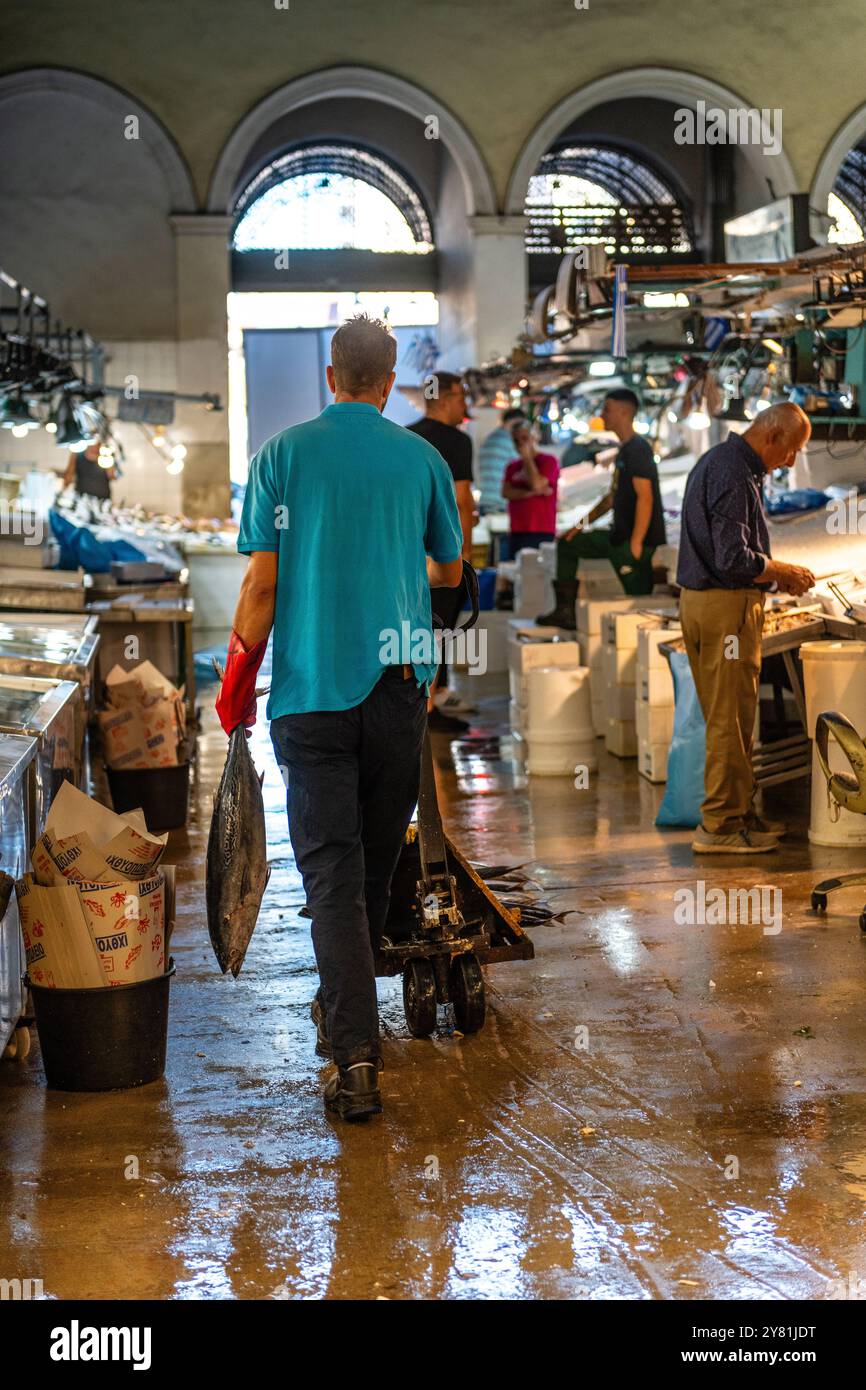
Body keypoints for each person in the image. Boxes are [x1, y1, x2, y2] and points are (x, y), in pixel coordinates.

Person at [216, 314, 463, 1122]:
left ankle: (355, 1057)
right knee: (370, 865)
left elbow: (260, 589)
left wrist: (236, 680)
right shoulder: (420, 458)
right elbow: (450, 568)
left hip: (312, 694)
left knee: (330, 875)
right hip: (397, 689)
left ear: (331, 376)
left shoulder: (281, 457)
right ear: (390, 384)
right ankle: (345, 1013)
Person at [677, 402, 815, 854]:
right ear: (772, 437)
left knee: (733, 719)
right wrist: (782, 570)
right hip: (725, 611)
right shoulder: (734, 473)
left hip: (709, 606)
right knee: (729, 722)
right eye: (792, 450)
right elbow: (733, 558)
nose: (791, 461)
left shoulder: (722, 461)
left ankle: (738, 814)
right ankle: (720, 827)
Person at [536, 388, 666, 627]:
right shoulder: (625, 450)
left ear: (625, 412)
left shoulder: (638, 449)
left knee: (639, 602)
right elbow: (611, 498)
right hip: (618, 536)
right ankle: (565, 611)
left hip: (634, 541)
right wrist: (578, 526)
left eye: (608, 409)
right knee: (567, 544)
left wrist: (637, 542)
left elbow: (645, 497)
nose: (602, 414)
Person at [408, 371, 475, 731]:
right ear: (445, 399)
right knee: (440, 629)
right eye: (461, 397)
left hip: (408, 553)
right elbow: (462, 500)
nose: (464, 406)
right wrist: (463, 556)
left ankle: (420, 703)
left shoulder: (406, 436)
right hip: (442, 551)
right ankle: (428, 710)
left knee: (417, 627)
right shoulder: (458, 442)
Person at [501, 420, 559, 558]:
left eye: (525, 438)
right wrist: (531, 493)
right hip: (517, 530)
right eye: (516, 440)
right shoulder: (512, 466)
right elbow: (506, 492)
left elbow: (536, 484)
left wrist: (527, 458)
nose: (520, 443)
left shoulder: (548, 461)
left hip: (541, 530)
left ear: (535, 437)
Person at [477, 406, 526, 514]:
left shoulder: (489, 439)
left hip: (485, 502)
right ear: (518, 422)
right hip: (500, 505)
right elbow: (523, 472)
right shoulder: (510, 441)